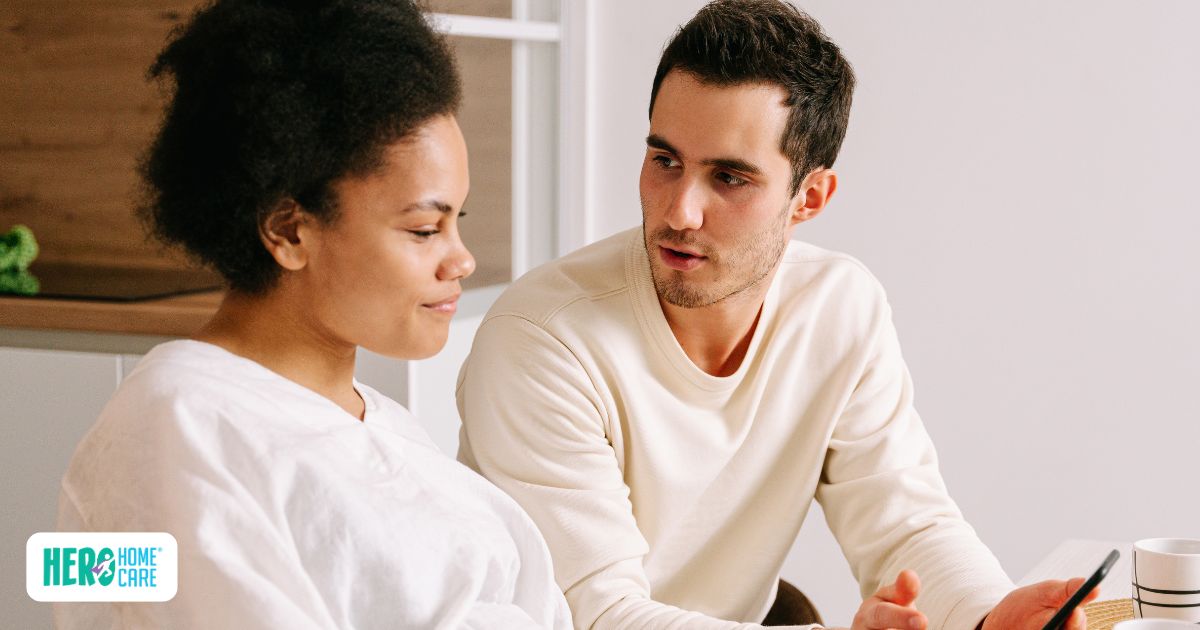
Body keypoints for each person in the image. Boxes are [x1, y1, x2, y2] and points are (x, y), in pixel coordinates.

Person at [456, 1, 1096, 629]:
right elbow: (597, 615)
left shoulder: (838, 309)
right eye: (665, 161)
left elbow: (906, 523)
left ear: (808, 198)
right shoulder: (541, 341)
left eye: (729, 178)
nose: (680, 211)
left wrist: (987, 617)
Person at [55, 1, 571, 628]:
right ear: (290, 230)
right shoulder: (172, 427)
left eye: (457, 221)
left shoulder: (384, 425)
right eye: (423, 229)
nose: (460, 260)